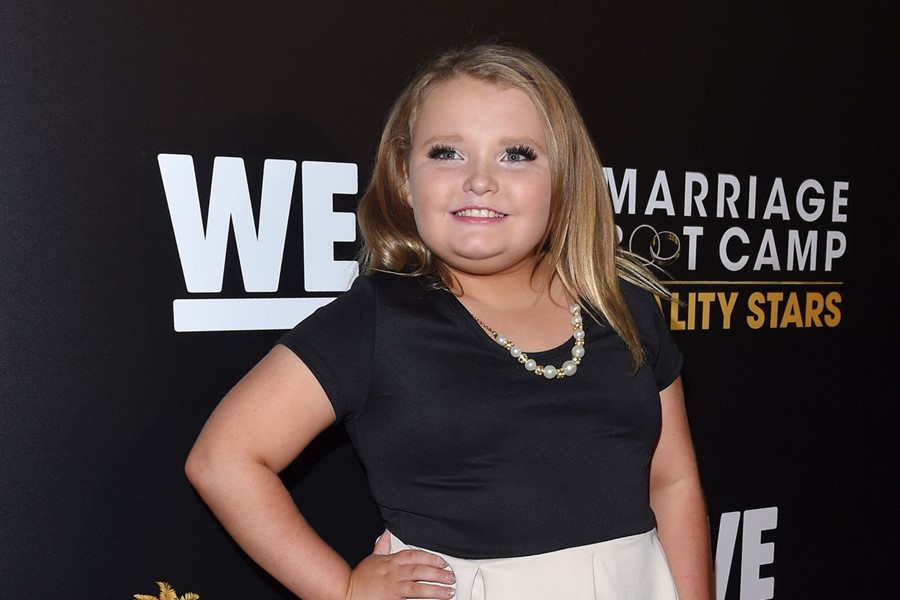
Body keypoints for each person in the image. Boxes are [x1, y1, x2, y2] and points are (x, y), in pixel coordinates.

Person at [185, 43, 713, 600]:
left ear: (565, 180)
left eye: (516, 154)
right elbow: (224, 459)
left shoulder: (625, 308)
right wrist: (343, 589)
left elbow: (672, 481)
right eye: (447, 153)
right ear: (404, 177)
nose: (480, 180)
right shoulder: (376, 321)